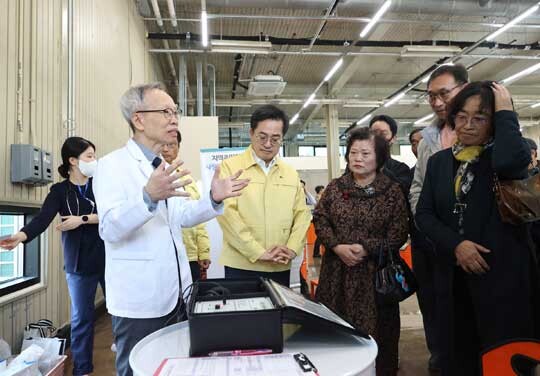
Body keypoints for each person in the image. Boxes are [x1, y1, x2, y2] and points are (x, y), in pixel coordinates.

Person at [93, 82, 249, 376]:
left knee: (173, 366)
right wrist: (147, 197)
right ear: (138, 119)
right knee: (137, 369)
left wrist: (213, 198)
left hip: (176, 293)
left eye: (175, 111)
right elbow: (109, 229)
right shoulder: (111, 166)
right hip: (140, 300)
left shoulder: (159, 165)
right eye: (166, 111)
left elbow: (182, 216)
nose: (174, 118)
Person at [416, 81, 540, 376]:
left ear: (495, 122)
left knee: (504, 359)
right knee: (460, 357)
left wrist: (506, 109)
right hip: (455, 280)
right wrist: (456, 245)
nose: (468, 125)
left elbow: (512, 161)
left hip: (503, 282)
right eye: (461, 116)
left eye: (480, 117)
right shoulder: (438, 163)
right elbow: (424, 214)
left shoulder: (504, 158)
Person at [0, 137, 104, 376]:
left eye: (93, 156)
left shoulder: (102, 185)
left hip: (110, 258)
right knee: (81, 319)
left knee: (121, 313)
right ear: (72, 161)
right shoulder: (59, 191)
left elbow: (114, 213)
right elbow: (42, 219)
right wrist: (21, 235)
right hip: (79, 263)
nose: (94, 161)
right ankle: (83, 370)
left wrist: (83, 219)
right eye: (89, 156)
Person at [314, 128, 409, 376]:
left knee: (380, 336)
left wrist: (367, 248)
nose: (358, 158)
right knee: (337, 334)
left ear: (379, 156)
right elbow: (320, 219)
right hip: (337, 275)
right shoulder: (336, 188)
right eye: (353, 152)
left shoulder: (391, 191)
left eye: (365, 153)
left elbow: (398, 232)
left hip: (376, 278)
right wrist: (336, 246)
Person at [408, 63, 469, 372]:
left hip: (473, 243)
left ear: (464, 87)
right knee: (436, 308)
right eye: (431, 96)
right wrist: (428, 224)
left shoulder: (485, 128)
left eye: (443, 93)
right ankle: (441, 360)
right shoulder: (430, 137)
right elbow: (418, 186)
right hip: (433, 243)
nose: (436, 102)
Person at [217, 104, 312, 286]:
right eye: (262, 137)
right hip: (241, 266)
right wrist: (256, 251)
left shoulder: (290, 173)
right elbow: (227, 215)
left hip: (279, 265)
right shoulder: (230, 168)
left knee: (277, 314)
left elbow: (302, 214)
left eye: (275, 139)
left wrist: (291, 249)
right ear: (251, 133)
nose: (268, 144)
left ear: (282, 138)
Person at [162, 130, 211, 281]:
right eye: (163, 144)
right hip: (165, 256)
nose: (166, 149)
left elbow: (199, 219)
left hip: (190, 254)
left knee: (193, 299)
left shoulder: (186, 177)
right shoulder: (149, 178)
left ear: (178, 147)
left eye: (172, 145)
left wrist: (203, 252)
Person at [368, 114, 412, 193]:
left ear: (393, 138)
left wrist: (381, 169)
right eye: (374, 133)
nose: (378, 138)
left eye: (383, 134)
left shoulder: (401, 168)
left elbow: (403, 192)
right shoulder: (357, 165)